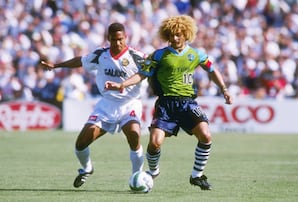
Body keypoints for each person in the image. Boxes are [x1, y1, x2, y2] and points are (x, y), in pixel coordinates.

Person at [105, 15, 233, 190]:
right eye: (171, 35)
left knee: (206, 136)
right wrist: (122, 84)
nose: (174, 38)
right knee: (154, 143)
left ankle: (197, 175)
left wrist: (224, 89)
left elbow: (212, 69)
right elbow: (142, 74)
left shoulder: (196, 54)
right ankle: (154, 170)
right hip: (166, 104)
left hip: (188, 103)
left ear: (186, 34)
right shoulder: (159, 55)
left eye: (178, 35)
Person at [40, 22, 145, 188]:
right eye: (113, 40)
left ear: (125, 38)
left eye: (120, 39)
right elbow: (80, 61)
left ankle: (137, 176)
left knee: (133, 133)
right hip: (106, 105)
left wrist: (122, 85)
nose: (117, 43)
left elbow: (145, 73)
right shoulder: (100, 54)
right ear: (108, 39)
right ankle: (87, 168)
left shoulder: (137, 56)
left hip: (129, 103)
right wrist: (56, 65)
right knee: (81, 143)